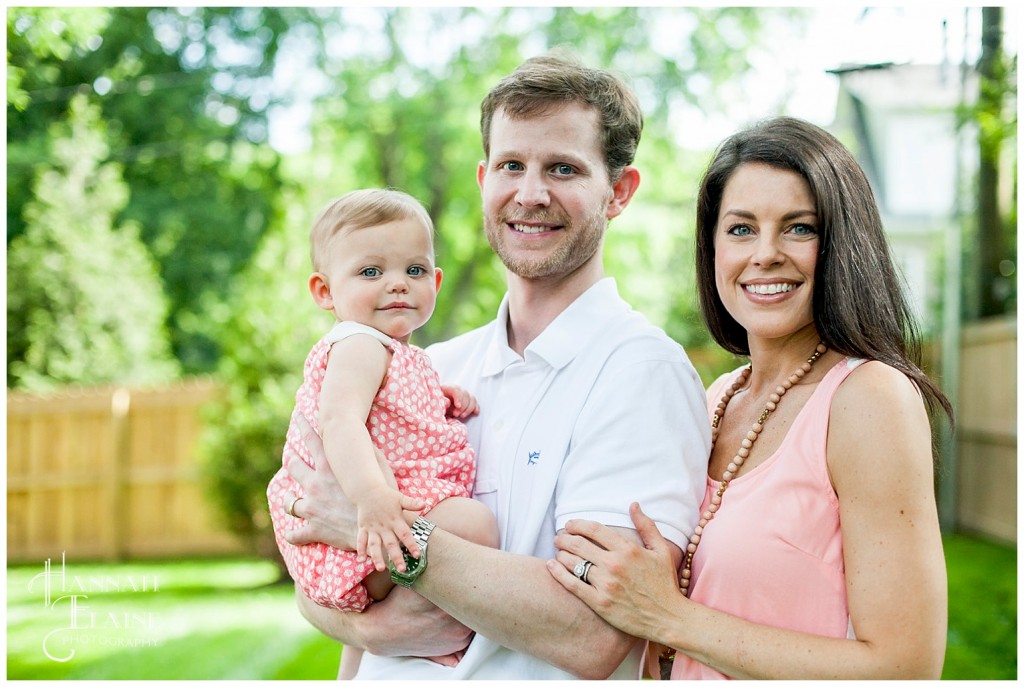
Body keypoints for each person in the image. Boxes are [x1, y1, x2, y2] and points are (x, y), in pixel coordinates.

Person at [279, 52, 710, 679]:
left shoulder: (641, 375)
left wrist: (395, 539)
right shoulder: (431, 368)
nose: (530, 194)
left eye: (563, 168)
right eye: (512, 165)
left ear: (618, 191)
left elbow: (592, 635)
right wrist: (358, 620)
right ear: (484, 178)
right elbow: (314, 554)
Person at [547, 116, 952, 679]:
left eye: (799, 228)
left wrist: (668, 617)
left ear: (842, 242)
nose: (765, 253)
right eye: (740, 229)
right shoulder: (716, 398)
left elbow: (906, 667)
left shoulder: (868, 399)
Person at [266, 188, 499, 679]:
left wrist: (441, 397)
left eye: (414, 271)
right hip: (369, 514)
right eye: (371, 272)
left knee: (358, 651)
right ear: (325, 291)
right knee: (474, 525)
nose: (397, 284)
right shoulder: (359, 344)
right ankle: (435, 635)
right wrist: (372, 500)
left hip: (381, 513)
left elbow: (389, 410)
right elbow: (340, 421)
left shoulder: (396, 354)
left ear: (435, 281)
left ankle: (360, 671)